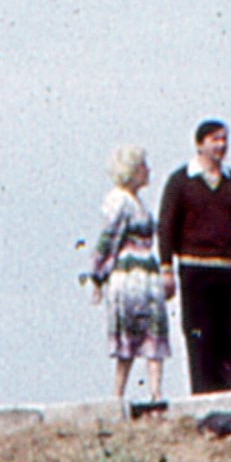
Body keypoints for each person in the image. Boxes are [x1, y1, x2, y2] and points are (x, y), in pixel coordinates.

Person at [156, 121, 231, 396]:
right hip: (195, 267)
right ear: (200, 144)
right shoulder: (181, 181)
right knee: (198, 333)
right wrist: (166, 268)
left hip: (230, 268)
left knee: (229, 334)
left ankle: (230, 390)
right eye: (214, 140)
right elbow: (166, 225)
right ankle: (202, 393)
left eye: (224, 139)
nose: (221, 145)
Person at [88, 145, 169, 408]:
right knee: (131, 334)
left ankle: (156, 393)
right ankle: (118, 395)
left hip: (147, 272)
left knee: (153, 333)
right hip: (129, 272)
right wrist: (97, 275)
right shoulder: (119, 201)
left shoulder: (137, 202)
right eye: (143, 166)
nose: (148, 171)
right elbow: (107, 239)